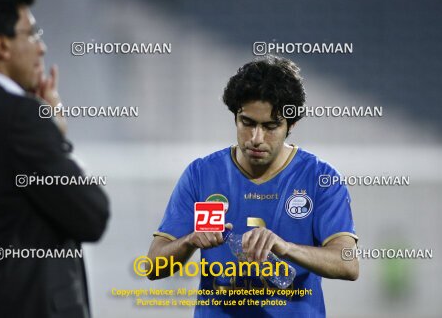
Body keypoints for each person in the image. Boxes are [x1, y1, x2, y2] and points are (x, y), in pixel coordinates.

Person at [147, 56, 358, 317]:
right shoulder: (203, 175)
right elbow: (153, 267)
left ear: (291, 125)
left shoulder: (320, 178)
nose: (256, 139)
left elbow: (349, 265)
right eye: (247, 123)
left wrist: (285, 247)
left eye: (270, 126)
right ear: (235, 116)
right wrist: (189, 241)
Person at [0, 0, 109, 318]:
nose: (41, 48)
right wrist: (54, 131)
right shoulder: (18, 116)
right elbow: (91, 215)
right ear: (1, 45)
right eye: (31, 34)